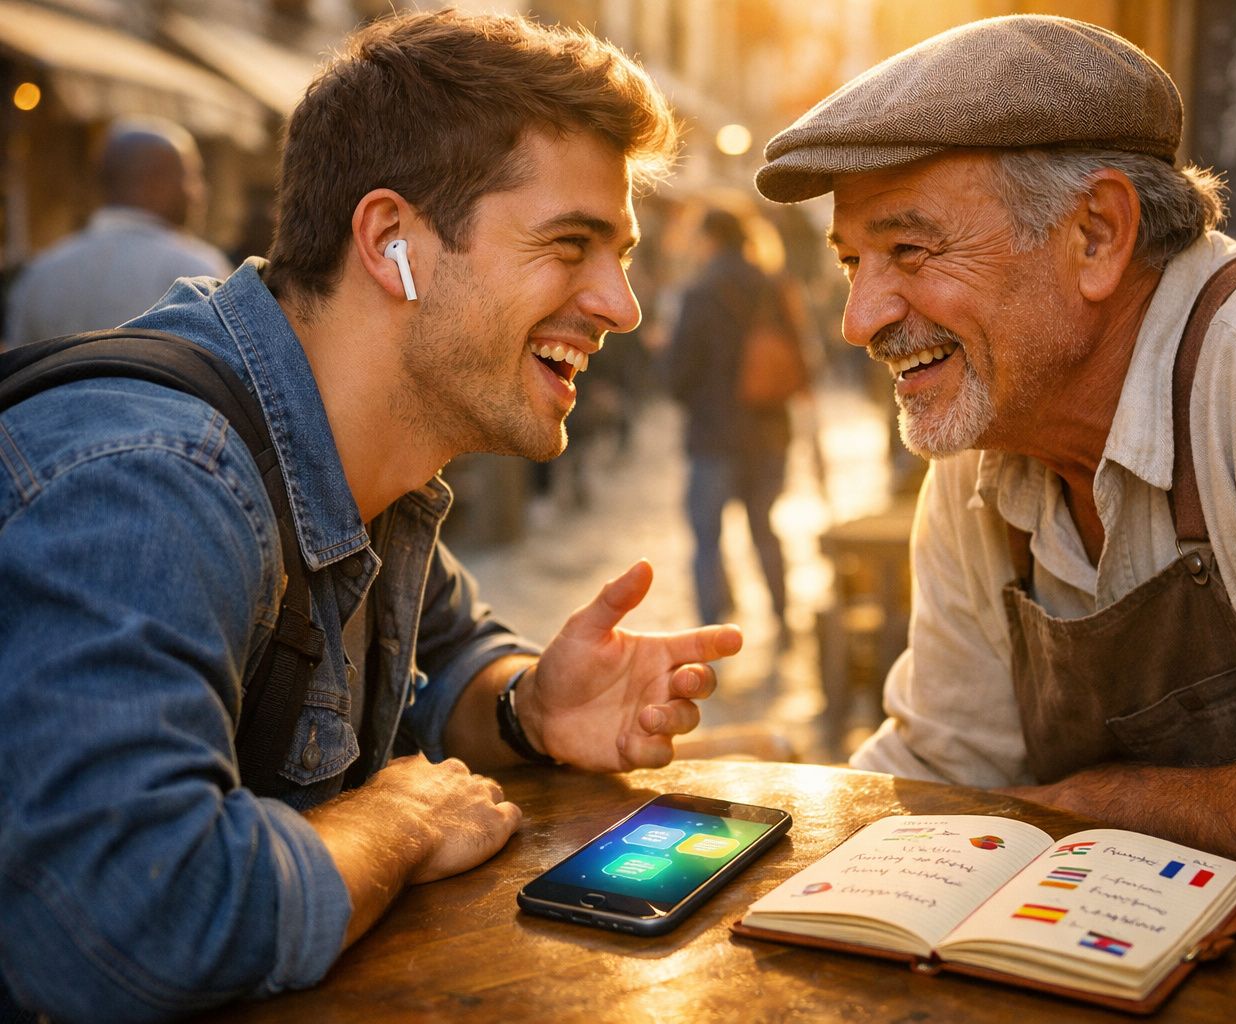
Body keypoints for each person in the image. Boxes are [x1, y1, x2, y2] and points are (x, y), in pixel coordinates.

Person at [756, 14, 1236, 1016]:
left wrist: (1087, 806)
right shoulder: (985, 452)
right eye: (851, 263)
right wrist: (787, 842)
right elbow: (945, 770)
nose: (861, 318)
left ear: (1097, 234)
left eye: (908, 249)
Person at [0, 11, 741, 1022]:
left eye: (619, 252)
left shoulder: (366, 470)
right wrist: (392, 820)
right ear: (393, 243)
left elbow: (442, 652)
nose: (622, 304)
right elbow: (127, 918)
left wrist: (528, 706)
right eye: (570, 244)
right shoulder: (161, 479)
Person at [667, 207, 802, 638]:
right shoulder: (772, 286)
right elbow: (801, 359)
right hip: (769, 431)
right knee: (765, 528)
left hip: (714, 436)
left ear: (709, 239)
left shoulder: (699, 293)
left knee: (708, 537)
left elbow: (676, 376)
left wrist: (661, 358)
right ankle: (782, 618)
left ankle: (712, 632)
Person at [3, 117, 232, 348]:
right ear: (155, 183)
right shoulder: (198, 275)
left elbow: (16, 373)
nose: (199, 192)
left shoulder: (40, 275)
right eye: (191, 176)